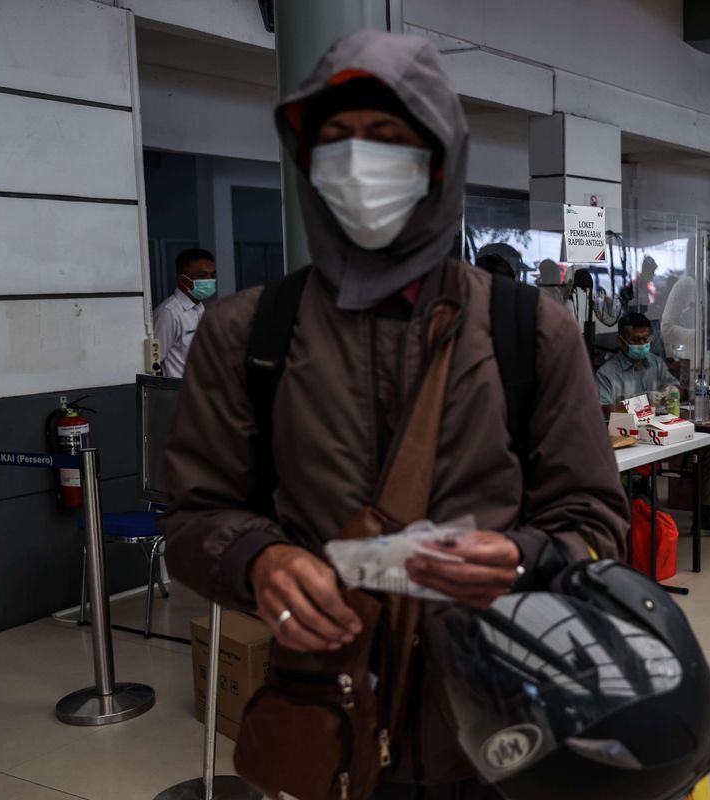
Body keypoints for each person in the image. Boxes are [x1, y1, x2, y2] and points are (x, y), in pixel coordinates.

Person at [159, 32, 629, 800]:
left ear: (439, 160)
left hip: (501, 711)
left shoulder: (529, 330)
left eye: (387, 139)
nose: (357, 164)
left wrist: (527, 559)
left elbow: (596, 517)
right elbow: (194, 514)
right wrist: (259, 560)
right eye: (333, 140)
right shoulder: (250, 333)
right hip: (329, 707)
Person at [597, 313, 710, 535]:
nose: (642, 344)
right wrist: (640, 403)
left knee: (709, 445)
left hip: (661, 431)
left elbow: (676, 388)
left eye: (646, 339)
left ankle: (706, 514)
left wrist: (672, 391)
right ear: (620, 340)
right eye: (636, 340)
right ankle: (639, 508)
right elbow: (603, 410)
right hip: (631, 437)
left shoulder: (654, 362)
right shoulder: (607, 373)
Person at [152, 248, 216, 378]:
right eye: (202, 276)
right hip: (179, 395)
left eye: (212, 275)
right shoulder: (169, 313)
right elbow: (154, 365)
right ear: (183, 280)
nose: (209, 281)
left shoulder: (200, 308)